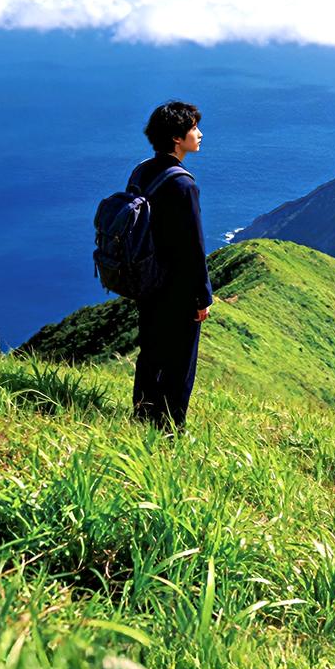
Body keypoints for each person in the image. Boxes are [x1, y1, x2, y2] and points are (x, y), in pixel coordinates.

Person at [128, 100, 212, 432]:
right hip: (176, 288)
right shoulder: (183, 184)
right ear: (177, 138)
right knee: (180, 364)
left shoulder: (141, 171)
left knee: (150, 353)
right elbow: (194, 247)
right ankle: (171, 431)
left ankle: (141, 417)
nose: (199, 134)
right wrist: (202, 297)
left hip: (145, 280)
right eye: (193, 128)